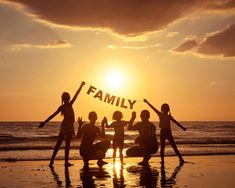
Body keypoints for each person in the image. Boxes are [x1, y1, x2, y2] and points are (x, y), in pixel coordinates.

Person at [39, 81, 85, 167]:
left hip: (70, 125)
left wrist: (81, 86)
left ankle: (64, 162)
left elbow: (77, 94)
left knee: (66, 145)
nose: (67, 98)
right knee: (59, 144)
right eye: (65, 97)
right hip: (65, 126)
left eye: (68, 97)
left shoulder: (70, 104)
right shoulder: (63, 107)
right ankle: (52, 161)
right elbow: (52, 115)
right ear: (63, 99)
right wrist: (44, 122)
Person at [144, 99, 186, 164]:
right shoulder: (160, 114)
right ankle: (162, 160)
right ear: (162, 109)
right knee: (162, 147)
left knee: (174, 146)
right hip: (163, 132)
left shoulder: (169, 116)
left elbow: (175, 122)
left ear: (168, 109)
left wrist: (182, 127)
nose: (165, 109)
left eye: (166, 108)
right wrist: (147, 102)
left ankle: (181, 159)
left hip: (168, 132)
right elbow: (153, 108)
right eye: (164, 108)